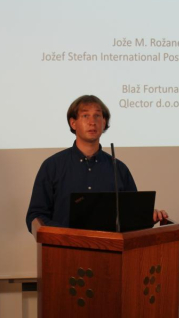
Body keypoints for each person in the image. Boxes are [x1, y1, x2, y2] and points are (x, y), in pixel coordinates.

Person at [26, 95, 168, 232]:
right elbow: (35, 217)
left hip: (110, 248)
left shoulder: (119, 169)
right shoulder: (52, 166)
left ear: (104, 122)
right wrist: (67, 235)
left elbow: (132, 216)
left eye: (97, 116)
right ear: (73, 123)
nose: (92, 122)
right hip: (64, 247)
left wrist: (147, 217)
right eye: (85, 116)